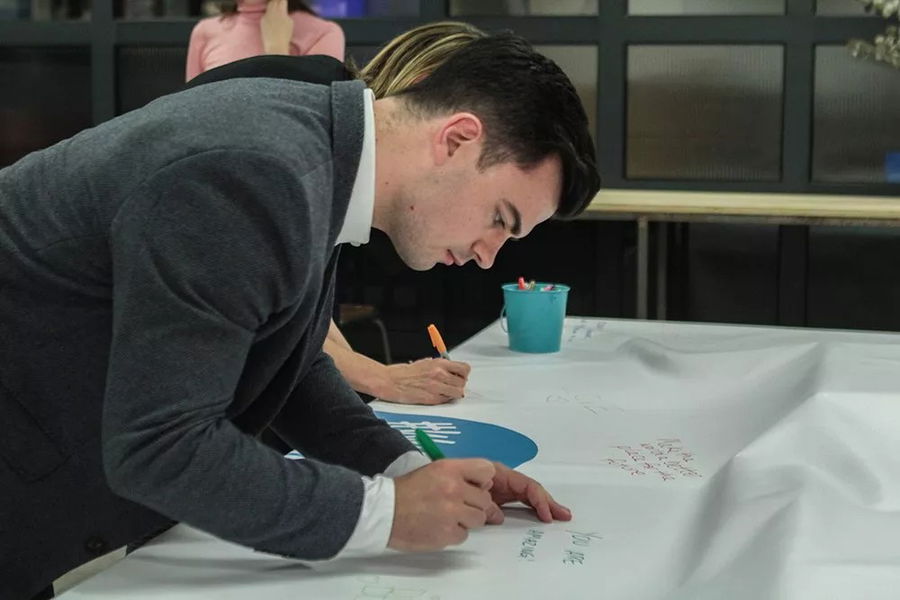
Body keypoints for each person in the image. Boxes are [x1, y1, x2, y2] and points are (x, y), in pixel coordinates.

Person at [0, 31, 600, 600]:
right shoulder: (257, 173)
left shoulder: (319, 151)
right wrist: (386, 515)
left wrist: (411, 473)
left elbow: (282, 353)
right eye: (500, 218)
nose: (487, 254)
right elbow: (160, 447)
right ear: (457, 139)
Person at [186, 22, 488, 405]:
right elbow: (272, 311)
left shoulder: (346, 130)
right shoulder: (319, 123)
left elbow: (304, 310)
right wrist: (381, 378)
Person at [185, 0, 344, 82]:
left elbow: (313, 115)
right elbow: (189, 108)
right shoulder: (205, 31)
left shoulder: (323, 33)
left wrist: (277, 50)